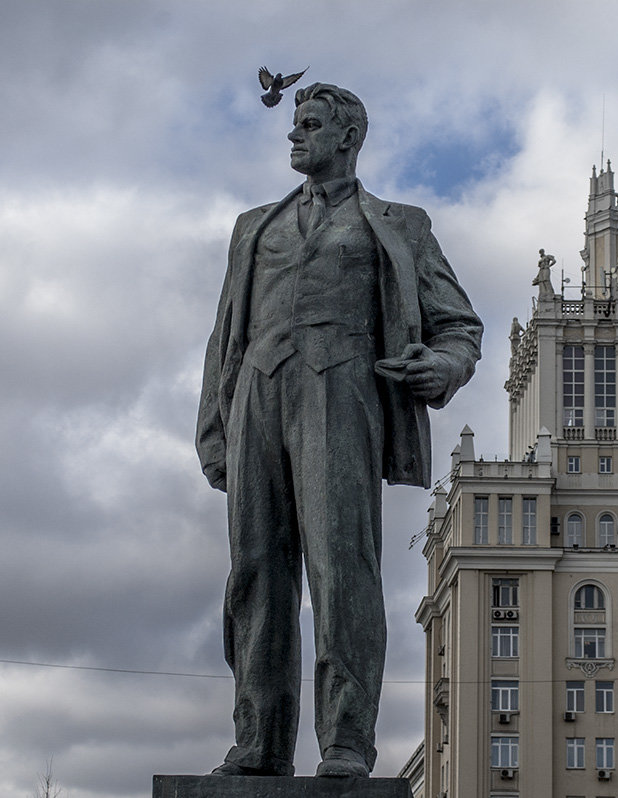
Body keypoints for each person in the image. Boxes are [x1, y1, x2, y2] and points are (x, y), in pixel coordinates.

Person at [196, 83, 482, 779]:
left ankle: (346, 740)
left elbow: (459, 326)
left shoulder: (398, 224)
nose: (295, 136)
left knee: (342, 567)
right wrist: (214, 424)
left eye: (311, 125)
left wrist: (440, 366)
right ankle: (259, 741)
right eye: (295, 124)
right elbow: (224, 335)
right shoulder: (252, 226)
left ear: (348, 137)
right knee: (257, 573)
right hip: (259, 394)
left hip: (343, 388)